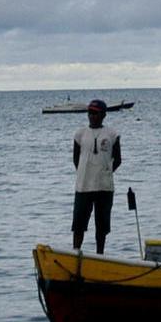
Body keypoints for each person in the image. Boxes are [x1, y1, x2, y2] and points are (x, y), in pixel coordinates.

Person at [70, 98, 121, 252]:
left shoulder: (112, 134)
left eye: (95, 113)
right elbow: (76, 159)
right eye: (90, 113)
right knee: (79, 224)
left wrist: (105, 172)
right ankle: (76, 252)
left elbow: (118, 159)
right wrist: (84, 173)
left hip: (104, 187)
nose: (92, 116)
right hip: (84, 186)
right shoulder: (80, 134)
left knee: (102, 226)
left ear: (103, 115)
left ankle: (100, 254)